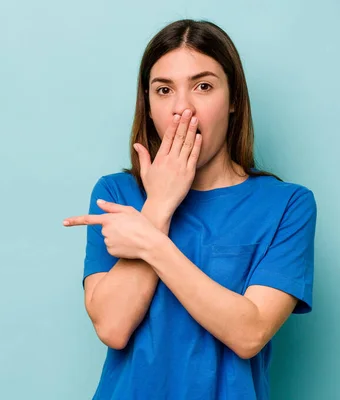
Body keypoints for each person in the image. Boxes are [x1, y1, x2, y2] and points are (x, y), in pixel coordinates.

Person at [62, 19, 317, 400]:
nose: (183, 109)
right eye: (164, 90)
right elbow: (113, 328)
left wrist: (149, 242)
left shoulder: (288, 205)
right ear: (148, 106)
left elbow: (250, 334)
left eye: (203, 86)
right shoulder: (115, 193)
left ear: (233, 100)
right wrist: (159, 205)